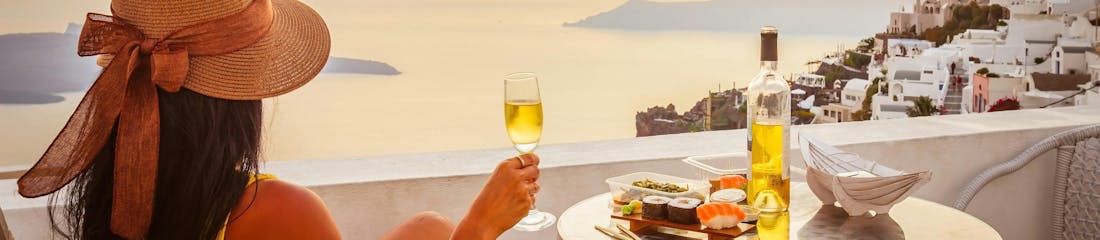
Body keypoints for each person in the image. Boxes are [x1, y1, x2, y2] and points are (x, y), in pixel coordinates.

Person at [15, 0, 539, 239]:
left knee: (426, 229)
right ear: (236, 101)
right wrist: (482, 227)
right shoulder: (272, 212)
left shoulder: (108, 192)